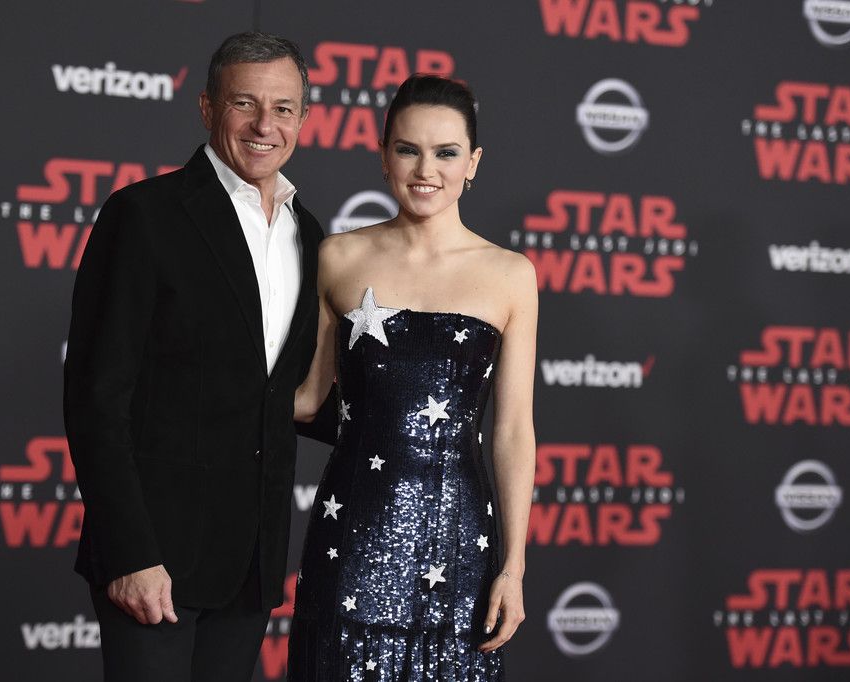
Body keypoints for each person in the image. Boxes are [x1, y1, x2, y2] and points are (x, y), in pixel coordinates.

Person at [63, 32, 325, 682]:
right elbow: (96, 399)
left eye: (283, 108)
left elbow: (288, 394)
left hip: (251, 563)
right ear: (208, 107)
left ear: (303, 117)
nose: (265, 125)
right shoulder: (143, 215)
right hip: (155, 560)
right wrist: (130, 554)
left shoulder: (310, 233)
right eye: (245, 103)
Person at [288, 75, 538, 680]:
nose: (426, 170)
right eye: (408, 149)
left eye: (446, 152)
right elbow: (307, 399)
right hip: (351, 535)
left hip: (459, 543)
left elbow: (512, 432)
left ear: (472, 163)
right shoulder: (338, 257)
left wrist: (513, 567)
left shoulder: (511, 275)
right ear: (383, 155)